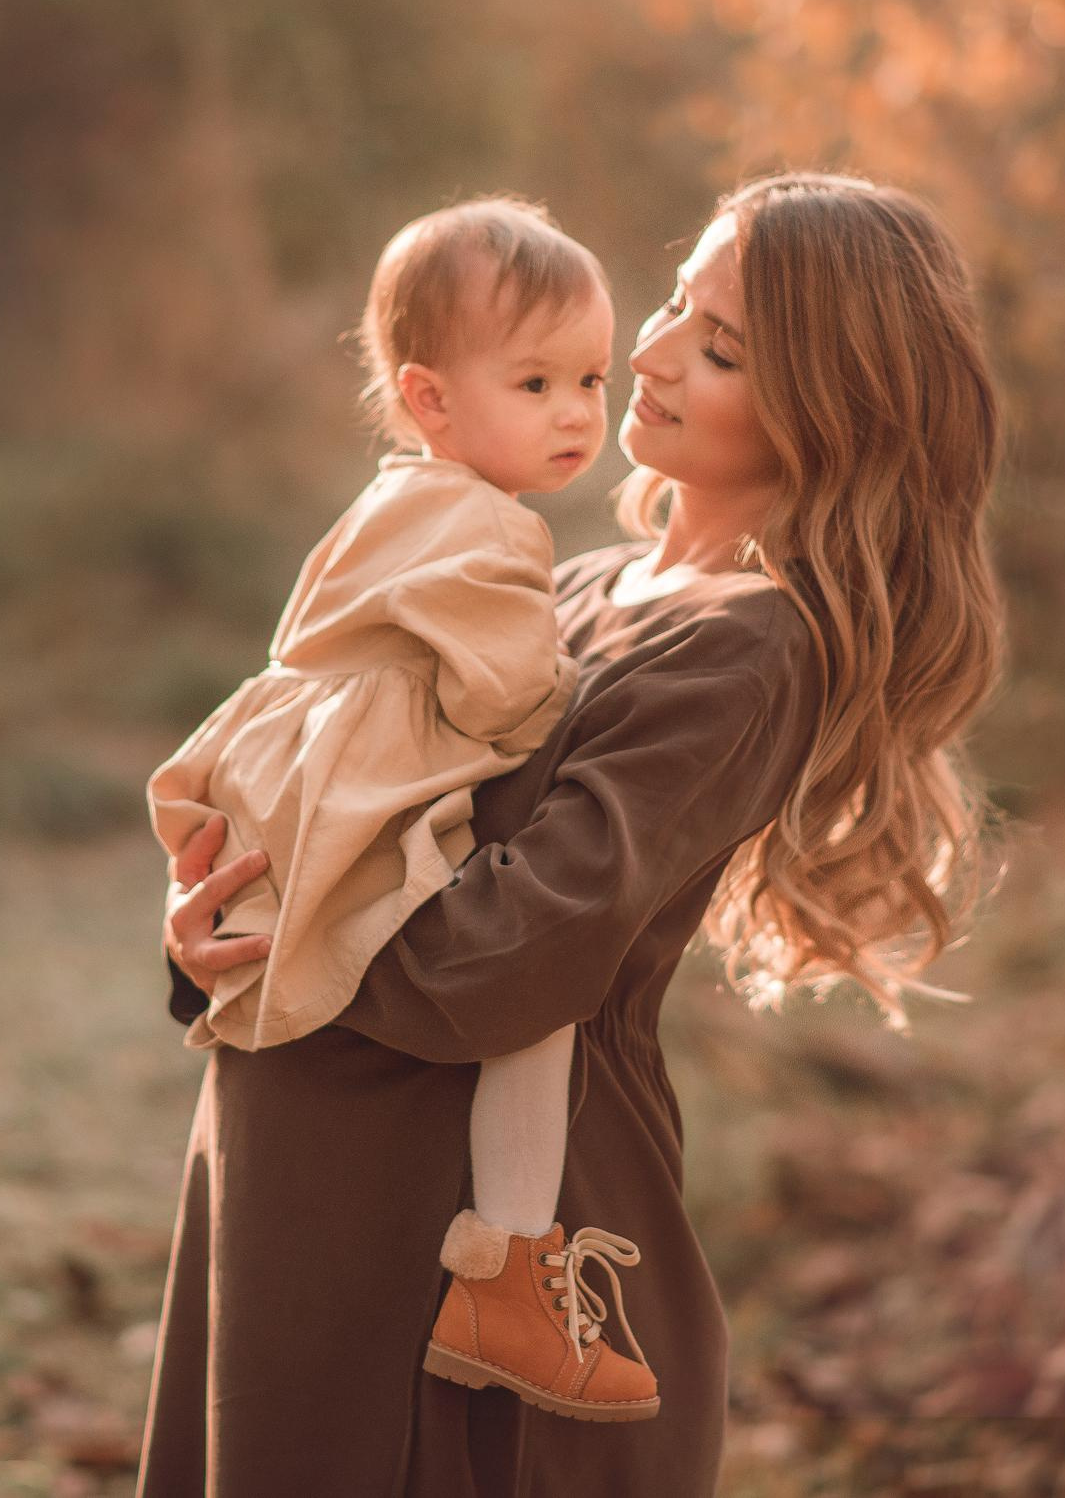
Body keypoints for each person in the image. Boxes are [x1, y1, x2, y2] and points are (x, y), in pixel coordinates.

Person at [138, 171, 1010, 1498]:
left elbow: (512, 953)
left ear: (826, 409)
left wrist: (297, 924)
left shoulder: (751, 649)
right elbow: (336, 766)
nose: (649, 355)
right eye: (674, 304)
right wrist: (218, 916)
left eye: (719, 350)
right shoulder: (576, 579)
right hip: (311, 1149)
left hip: (461, 1217)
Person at [145, 195, 666, 1421]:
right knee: (540, 1006)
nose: (578, 411)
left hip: (293, 779)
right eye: (533, 381)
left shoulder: (389, 500)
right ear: (431, 398)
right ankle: (510, 1262)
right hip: (364, 798)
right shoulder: (494, 527)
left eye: (589, 376)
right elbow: (507, 694)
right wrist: (574, 694)